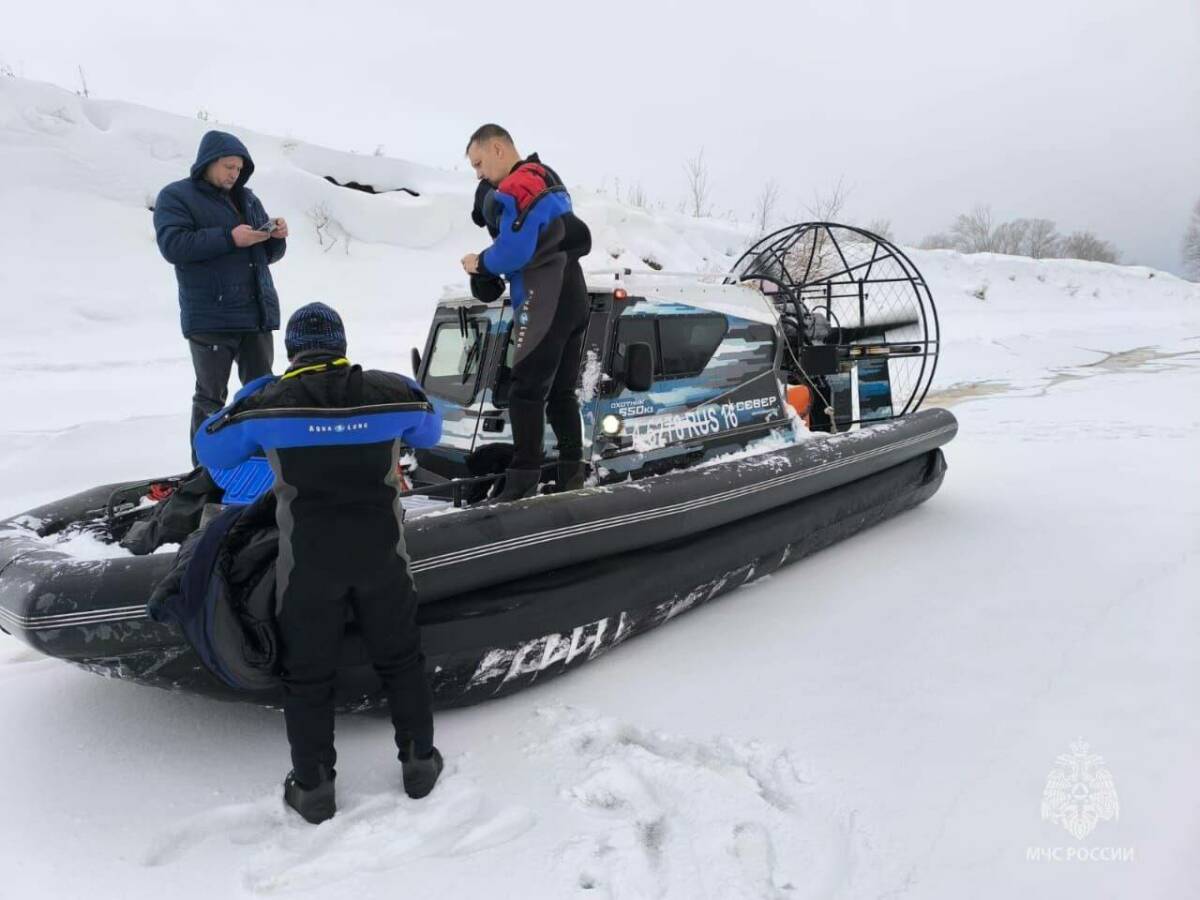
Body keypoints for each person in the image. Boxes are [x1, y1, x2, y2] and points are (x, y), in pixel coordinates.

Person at [193, 302, 444, 824]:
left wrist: (247, 394)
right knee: (401, 661)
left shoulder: (267, 402)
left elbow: (210, 450)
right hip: (382, 557)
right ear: (342, 345)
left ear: (292, 352)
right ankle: (419, 764)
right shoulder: (390, 392)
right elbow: (431, 430)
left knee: (307, 678)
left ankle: (313, 788)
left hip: (308, 565)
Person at [461, 124, 592, 501]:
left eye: (479, 163)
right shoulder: (547, 176)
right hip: (573, 293)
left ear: (499, 149)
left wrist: (479, 263)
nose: (479, 173)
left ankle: (522, 480)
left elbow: (514, 253)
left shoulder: (516, 186)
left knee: (526, 391)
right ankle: (571, 472)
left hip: (544, 297)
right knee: (562, 392)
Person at [154, 130, 289, 463]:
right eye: (229, 166)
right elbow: (173, 246)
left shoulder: (248, 198)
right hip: (211, 317)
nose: (234, 173)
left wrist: (275, 238)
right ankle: (203, 470)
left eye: (239, 168)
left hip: (255, 315)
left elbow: (263, 255)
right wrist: (229, 238)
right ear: (208, 162)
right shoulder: (177, 196)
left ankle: (259, 464)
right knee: (210, 398)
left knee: (260, 395)